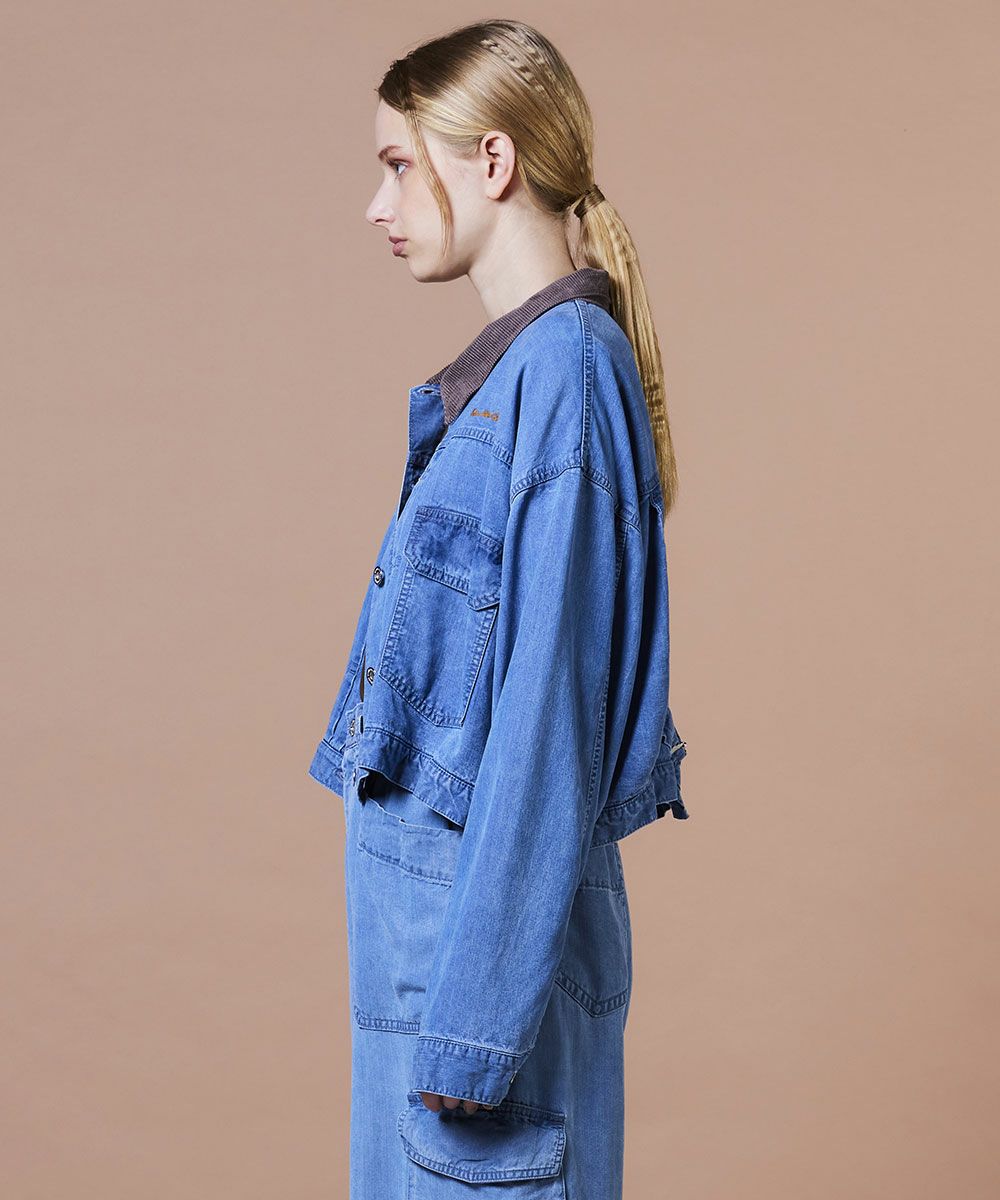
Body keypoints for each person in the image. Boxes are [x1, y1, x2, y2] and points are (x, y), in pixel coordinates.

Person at [307, 18, 690, 1199]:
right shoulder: (520, 378)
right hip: (434, 984)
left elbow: (547, 725)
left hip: (477, 1006)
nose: (377, 206)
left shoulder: (567, 372)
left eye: (396, 165)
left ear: (493, 161)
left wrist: (472, 1035)